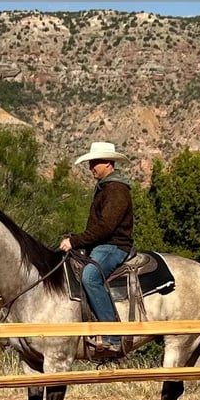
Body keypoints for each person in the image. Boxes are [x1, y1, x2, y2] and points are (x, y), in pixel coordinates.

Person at [59, 141, 134, 354]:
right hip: (101, 244)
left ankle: (112, 336)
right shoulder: (106, 187)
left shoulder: (116, 190)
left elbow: (106, 227)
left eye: (95, 162)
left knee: (89, 277)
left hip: (113, 246)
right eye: (91, 163)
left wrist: (75, 241)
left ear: (109, 163)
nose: (91, 167)